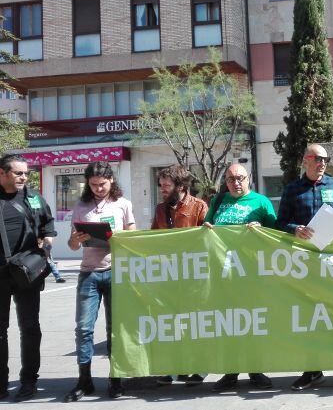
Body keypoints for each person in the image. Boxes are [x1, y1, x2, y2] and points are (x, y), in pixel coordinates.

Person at [275, 143, 333, 395]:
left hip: (332, 263)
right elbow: (280, 223)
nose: (322, 163)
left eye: (325, 159)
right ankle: (312, 371)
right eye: (317, 159)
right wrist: (295, 229)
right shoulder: (292, 190)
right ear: (305, 161)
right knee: (309, 317)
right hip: (304, 265)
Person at [65, 162, 136, 401]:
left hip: (116, 271)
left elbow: (134, 238)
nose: (98, 189)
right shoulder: (81, 206)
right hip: (89, 273)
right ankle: (84, 380)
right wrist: (76, 239)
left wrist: (118, 237)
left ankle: (115, 379)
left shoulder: (123, 204)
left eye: (102, 184)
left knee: (114, 329)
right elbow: (72, 246)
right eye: (93, 185)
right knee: (83, 328)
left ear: (111, 181)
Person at [207, 163, 276, 392]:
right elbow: (206, 229)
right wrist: (206, 228)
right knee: (229, 324)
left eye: (240, 178)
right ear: (225, 182)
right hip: (224, 275)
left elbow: (277, 235)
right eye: (231, 179)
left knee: (253, 323)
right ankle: (230, 372)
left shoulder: (261, 202)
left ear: (249, 179)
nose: (236, 183)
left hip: (253, 275)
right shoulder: (218, 202)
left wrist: (262, 229)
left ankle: (256, 370)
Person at [0, 155, 56, 401]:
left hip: (26, 272)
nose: (24, 177)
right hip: (0, 274)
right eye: (18, 173)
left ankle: (29, 382)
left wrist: (47, 242)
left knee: (30, 328)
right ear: (2, 173)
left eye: (26, 173)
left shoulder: (34, 198)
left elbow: (48, 225)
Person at [151, 165, 208, 387]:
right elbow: (153, 239)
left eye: (167, 185)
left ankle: (200, 368)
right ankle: (174, 368)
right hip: (169, 276)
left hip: (194, 276)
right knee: (172, 324)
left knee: (195, 323)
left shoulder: (199, 207)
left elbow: (208, 239)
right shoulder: (159, 210)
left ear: (181, 186)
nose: (162, 189)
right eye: (161, 185)